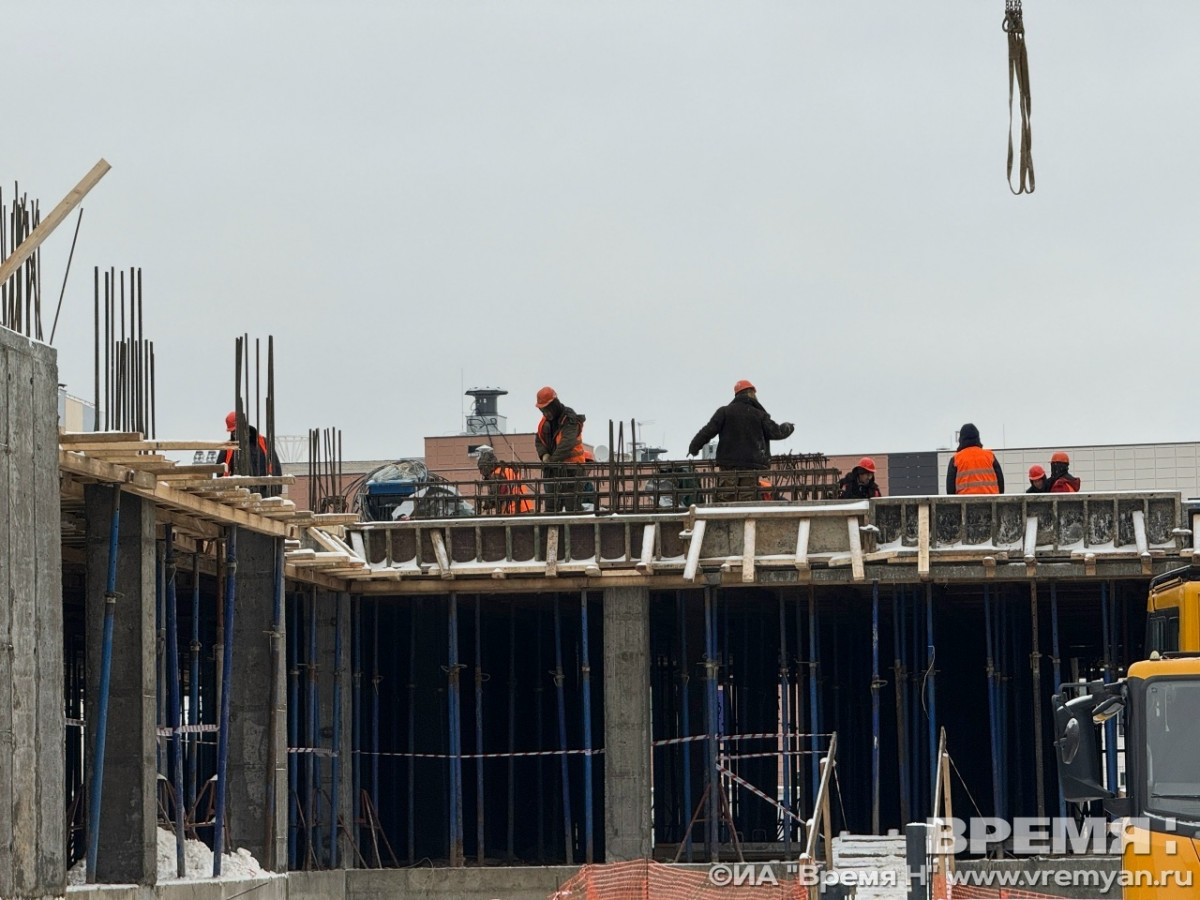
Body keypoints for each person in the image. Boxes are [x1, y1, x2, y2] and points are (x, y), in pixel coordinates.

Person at [687, 379, 795, 502]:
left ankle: (724, 520)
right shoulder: (759, 415)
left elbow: (707, 431)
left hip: (728, 464)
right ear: (751, 393)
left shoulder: (724, 412)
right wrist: (788, 427)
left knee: (725, 498)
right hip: (750, 466)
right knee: (747, 500)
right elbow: (776, 432)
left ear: (737, 394)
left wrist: (694, 447)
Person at [533, 387, 588, 512]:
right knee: (551, 508)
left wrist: (550, 461)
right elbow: (539, 440)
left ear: (554, 405)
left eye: (547, 409)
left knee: (572, 507)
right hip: (553, 470)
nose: (545, 413)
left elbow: (566, 445)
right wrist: (544, 455)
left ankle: (575, 531)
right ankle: (551, 529)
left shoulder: (569, 418)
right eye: (542, 410)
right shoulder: (545, 422)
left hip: (572, 469)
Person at [219, 410, 281, 482]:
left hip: (263, 490)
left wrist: (277, 490)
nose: (235, 434)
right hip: (239, 490)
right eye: (233, 432)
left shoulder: (263, 443)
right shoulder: (228, 448)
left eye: (236, 431)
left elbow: (276, 467)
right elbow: (220, 472)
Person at [945, 423, 1004, 494]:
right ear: (978, 438)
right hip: (991, 503)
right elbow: (1000, 483)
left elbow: (950, 489)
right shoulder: (990, 456)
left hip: (964, 503)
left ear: (961, 439)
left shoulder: (956, 459)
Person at [476, 445, 533, 515]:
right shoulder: (507, 470)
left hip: (514, 512)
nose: (481, 472)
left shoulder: (497, 475)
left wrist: (486, 504)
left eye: (481, 469)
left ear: (486, 467)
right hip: (527, 508)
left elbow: (496, 496)